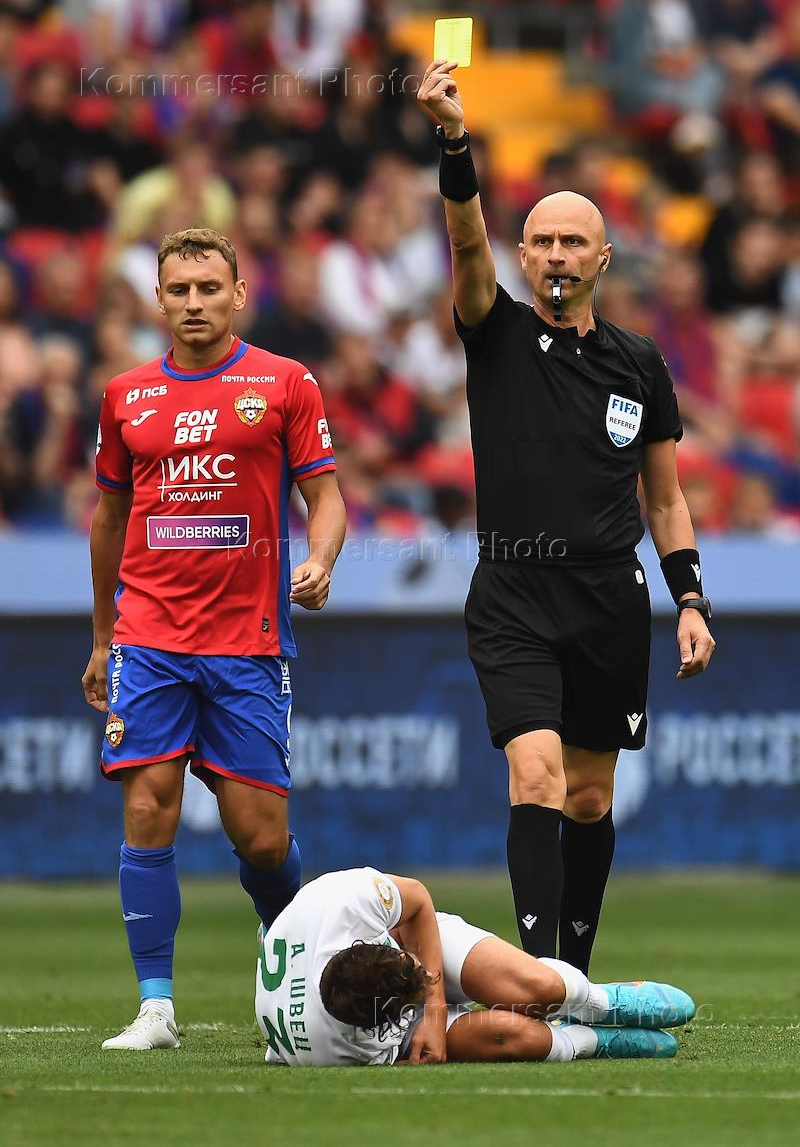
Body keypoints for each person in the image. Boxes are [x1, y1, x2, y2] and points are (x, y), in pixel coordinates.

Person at [416, 60, 716, 976]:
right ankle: (536, 979)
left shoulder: (639, 364)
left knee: (588, 796)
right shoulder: (496, 331)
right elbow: (465, 241)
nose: (554, 254)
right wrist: (455, 139)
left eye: (572, 242)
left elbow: (664, 497)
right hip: (512, 589)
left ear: (602, 258)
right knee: (536, 772)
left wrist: (691, 599)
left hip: (609, 597)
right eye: (541, 240)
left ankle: (575, 974)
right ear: (523, 255)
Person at [81, 227, 346, 1050]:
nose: (193, 303)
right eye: (179, 290)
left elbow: (326, 496)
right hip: (148, 636)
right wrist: (103, 639)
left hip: (247, 641)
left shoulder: (285, 382)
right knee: (147, 806)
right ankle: (156, 1008)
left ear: (238, 294)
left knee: (260, 840)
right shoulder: (126, 395)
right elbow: (109, 520)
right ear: (157, 299)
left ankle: (287, 961)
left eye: (208, 288)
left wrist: (321, 559)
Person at [255, 867, 695, 1066]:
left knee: (537, 989)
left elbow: (418, 900)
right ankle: (592, 1042)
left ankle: (599, 1002)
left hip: (407, 936)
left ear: (366, 942)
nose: (427, 982)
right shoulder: (340, 1049)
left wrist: (433, 1007)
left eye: (413, 970)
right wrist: (422, 1038)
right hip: (369, 1008)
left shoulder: (346, 903)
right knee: (515, 1035)